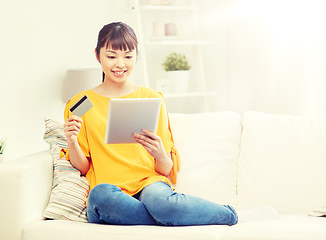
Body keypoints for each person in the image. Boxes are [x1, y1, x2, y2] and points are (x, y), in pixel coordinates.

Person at [62, 22, 238, 226]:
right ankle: (165, 217)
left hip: (149, 185)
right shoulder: (80, 103)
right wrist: (72, 141)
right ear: (97, 55)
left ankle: (227, 214)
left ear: (137, 55)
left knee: (162, 202)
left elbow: (165, 168)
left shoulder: (152, 98)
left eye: (128, 56)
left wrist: (158, 152)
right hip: (110, 192)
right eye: (111, 56)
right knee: (100, 196)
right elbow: (83, 167)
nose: (120, 64)